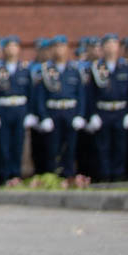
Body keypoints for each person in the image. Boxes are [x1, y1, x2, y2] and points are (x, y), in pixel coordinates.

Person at [31, 35, 85, 179]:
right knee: (52, 149)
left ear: (67, 49)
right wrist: (44, 117)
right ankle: (53, 177)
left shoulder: (74, 70)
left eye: (62, 46)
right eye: (56, 47)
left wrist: (80, 114)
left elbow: (81, 95)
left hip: (70, 112)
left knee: (70, 148)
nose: (59, 50)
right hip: (53, 113)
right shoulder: (45, 71)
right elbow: (40, 97)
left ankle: (68, 176)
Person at [0, 36, 34, 184]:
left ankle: (15, 174)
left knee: (18, 144)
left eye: (14, 46)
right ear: (3, 50)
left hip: (19, 109)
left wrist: (30, 113)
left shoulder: (24, 69)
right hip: (3, 109)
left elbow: (30, 93)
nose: (11, 50)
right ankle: (4, 174)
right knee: (2, 145)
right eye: (8, 47)